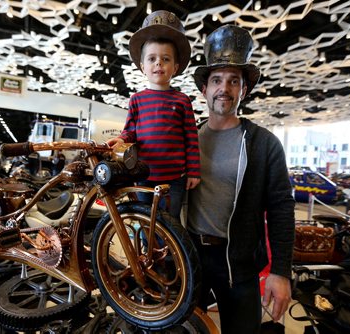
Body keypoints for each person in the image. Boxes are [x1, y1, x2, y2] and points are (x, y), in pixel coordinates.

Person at [186, 25, 295, 333]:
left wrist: (281, 272)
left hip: (240, 262)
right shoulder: (186, 139)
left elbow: (281, 209)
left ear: (243, 90)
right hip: (190, 254)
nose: (225, 88)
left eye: (234, 81)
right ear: (204, 88)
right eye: (217, 80)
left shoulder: (264, 144)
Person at [107, 10, 200, 220]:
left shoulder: (182, 100)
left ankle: (168, 255)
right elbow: (130, 131)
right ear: (143, 67)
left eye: (165, 59)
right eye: (152, 58)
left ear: (175, 68)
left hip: (174, 179)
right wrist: (121, 139)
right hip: (143, 174)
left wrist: (194, 171)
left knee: (170, 224)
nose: (159, 63)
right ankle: (144, 254)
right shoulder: (137, 100)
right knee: (144, 220)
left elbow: (191, 139)